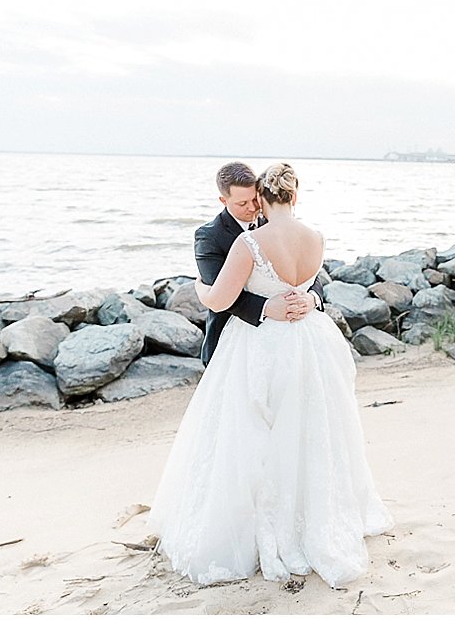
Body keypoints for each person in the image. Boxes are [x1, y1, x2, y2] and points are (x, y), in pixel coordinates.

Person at [148, 163, 393, 588]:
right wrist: (296, 300)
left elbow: (221, 298)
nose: (248, 206)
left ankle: (265, 529)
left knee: (253, 435)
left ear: (262, 197)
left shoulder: (249, 241)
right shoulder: (315, 238)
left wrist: (199, 290)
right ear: (295, 196)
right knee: (311, 429)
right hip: (310, 343)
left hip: (262, 347)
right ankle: (315, 519)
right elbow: (310, 279)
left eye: (252, 199)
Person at [194, 161, 324, 365]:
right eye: (242, 203)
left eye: (255, 199)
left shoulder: (275, 223)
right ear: (223, 200)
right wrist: (266, 307)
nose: (252, 207)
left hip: (293, 336)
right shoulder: (209, 236)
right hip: (234, 340)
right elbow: (222, 293)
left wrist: (311, 298)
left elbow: (311, 273)